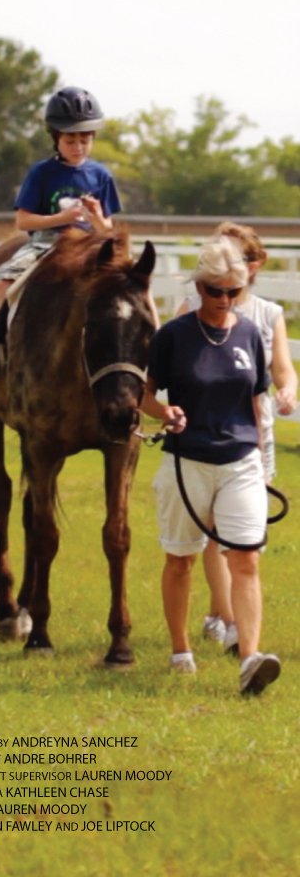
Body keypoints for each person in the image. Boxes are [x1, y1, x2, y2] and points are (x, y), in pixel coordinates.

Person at [141, 238, 281, 696]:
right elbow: (143, 397)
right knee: (180, 559)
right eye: (215, 291)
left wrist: (260, 464)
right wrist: (165, 414)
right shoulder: (173, 336)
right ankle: (181, 648)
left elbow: (256, 404)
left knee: (246, 558)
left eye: (233, 292)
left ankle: (249, 660)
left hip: (240, 461)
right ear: (199, 287)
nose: (223, 301)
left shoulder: (249, 335)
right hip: (187, 461)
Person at [175, 223, 298, 653]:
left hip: (253, 434)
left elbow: (282, 367)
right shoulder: (192, 306)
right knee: (211, 529)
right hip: (203, 435)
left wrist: (287, 390)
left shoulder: (266, 313)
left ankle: (229, 618)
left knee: (245, 535)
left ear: (253, 265)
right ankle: (223, 617)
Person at [0, 86, 120, 393]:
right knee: (0, 283)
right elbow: (23, 221)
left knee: (129, 289)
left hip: (88, 246)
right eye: (70, 140)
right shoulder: (42, 173)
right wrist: (60, 219)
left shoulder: (101, 176)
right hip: (45, 243)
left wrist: (95, 218)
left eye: (84, 139)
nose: (78, 146)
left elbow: (108, 228)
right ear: (56, 138)